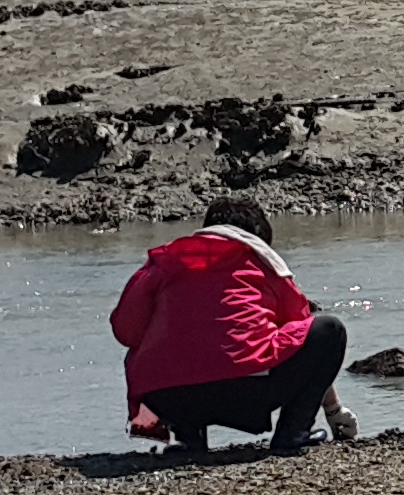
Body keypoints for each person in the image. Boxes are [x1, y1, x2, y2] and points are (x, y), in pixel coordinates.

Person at [112, 195, 353, 458]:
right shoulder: (262, 261)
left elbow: (126, 332)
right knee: (329, 329)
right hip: (246, 392)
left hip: (171, 399)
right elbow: (301, 330)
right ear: (259, 237)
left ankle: (187, 440)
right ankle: (293, 434)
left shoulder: (162, 261)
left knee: (142, 352)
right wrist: (333, 409)